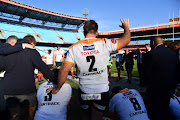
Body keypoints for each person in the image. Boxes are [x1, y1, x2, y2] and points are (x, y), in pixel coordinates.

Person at [47, 18, 131, 120]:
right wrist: (126, 27)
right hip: (101, 90)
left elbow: (64, 70)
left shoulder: (74, 48)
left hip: (85, 90)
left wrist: (57, 88)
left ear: (83, 32)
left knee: (85, 116)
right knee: (97, 117)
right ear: (97, 32)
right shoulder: (105, 42)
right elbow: (126, 40)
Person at [0, 35, 55, 120]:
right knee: (30, 115)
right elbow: (43, 68)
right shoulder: (31, 51)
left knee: (14, 115)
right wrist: (56, 80)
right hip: (27, 89)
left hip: (10, 90)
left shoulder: (7, 53)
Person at [144, 36, 178, 120]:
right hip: (169, 88)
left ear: (153, 42)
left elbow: (146, 73)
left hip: (155, 89)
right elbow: (177, 73)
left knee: (155, 112)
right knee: (165, 110)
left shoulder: (152, 54)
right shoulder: (173, 53)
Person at [0, 35, 33, 114]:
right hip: (2, 81)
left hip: (6, 80)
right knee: (3, 107)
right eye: (16, 45)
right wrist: (23, 45)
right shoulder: (3, 47)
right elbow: (5, 50)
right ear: (12, 43)